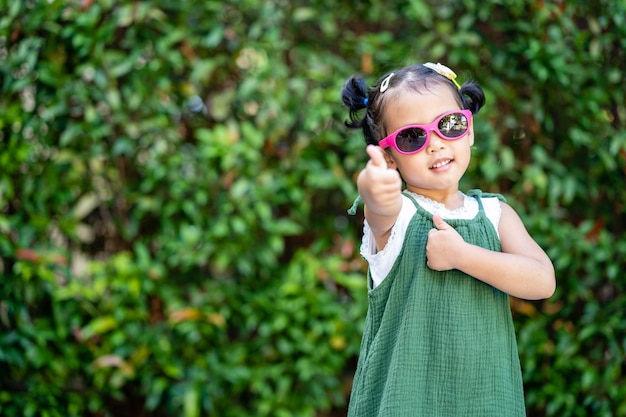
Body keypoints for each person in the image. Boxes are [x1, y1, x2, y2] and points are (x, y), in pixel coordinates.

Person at [341, 62, 556, 417]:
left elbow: (542, 281)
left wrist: (462, 256)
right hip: (408, 402)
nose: (436, 144)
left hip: (487, 400)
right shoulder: (400, 216)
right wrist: (373, 188)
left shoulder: (496, 215)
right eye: (413, 137)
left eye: (449, 125)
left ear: (468, 129)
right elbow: (379, 210)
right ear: (389, 156)